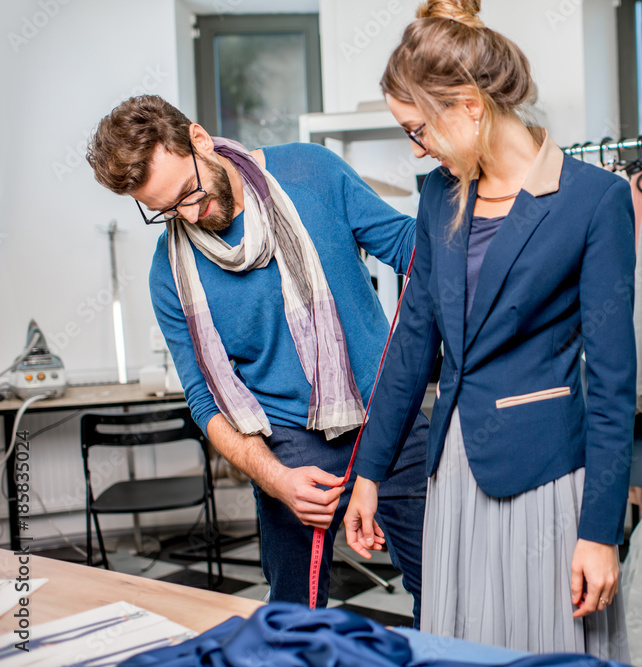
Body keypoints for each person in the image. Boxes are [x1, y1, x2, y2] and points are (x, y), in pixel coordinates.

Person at [342, 1, 635, 659]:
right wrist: (369, 472)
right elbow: (411, 342)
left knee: (544, 647)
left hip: (545, 477)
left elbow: (615, 385)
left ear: (469, 107)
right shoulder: (437, 196)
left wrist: (600, 530)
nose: (416, 148)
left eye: (418, 130)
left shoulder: (593, 199)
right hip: (451, 473)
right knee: (461, 646)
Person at [86, 95, 428, 619]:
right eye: (167, 210)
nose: (190, 214)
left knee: (446, 585)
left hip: (391, 418)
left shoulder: (310, 171)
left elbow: (409, 247)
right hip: (287, 446)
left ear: (199, 139)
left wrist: (473, 202)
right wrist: (276, 479)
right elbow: (206, 402)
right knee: (293, 618)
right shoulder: (170, 276)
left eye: (189, 191)